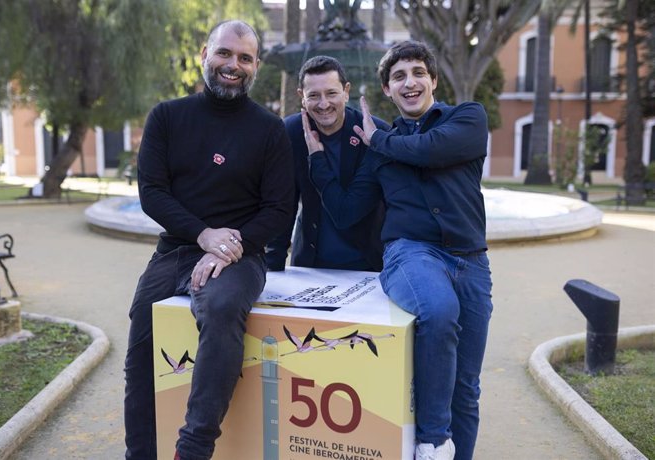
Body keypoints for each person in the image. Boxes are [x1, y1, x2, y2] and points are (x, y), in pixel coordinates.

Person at [307, 40, 493, 460]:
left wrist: (380, 142)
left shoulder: (466, 119)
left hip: (472, 261)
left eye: (417, 73)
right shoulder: (380, 145)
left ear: (433, 81)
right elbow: (346, 209)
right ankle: (431, 442)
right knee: (438, 311)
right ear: (387, 91)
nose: (409, 83)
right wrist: (318, 161)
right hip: (411, 256)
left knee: (466, 387)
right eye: (398, 77)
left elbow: (432, 150)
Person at [123, 20, 294, 460]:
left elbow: (279, 209)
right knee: (142, 338)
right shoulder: (166, 117)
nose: (232, 65)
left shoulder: (269, 130)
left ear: (255, 66)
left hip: (241, 258)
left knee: (220, 309)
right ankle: (139, 453)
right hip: (175, 251)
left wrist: (229, 246)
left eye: (244, 58)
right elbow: (152, 193)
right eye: (224, 53)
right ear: (205, 54)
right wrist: (203, 235)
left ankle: (192, 449)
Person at [265, 55, 389, 272]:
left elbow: (350, 214)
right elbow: (283, 204)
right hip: (310, 265)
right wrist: (272, 268)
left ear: (346, 91)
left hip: (369, 266)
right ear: (301, 97)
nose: (323, 104)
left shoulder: (374, 133)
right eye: (313, 95)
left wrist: (318, 159)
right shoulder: (290, 132)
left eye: (331, 93)